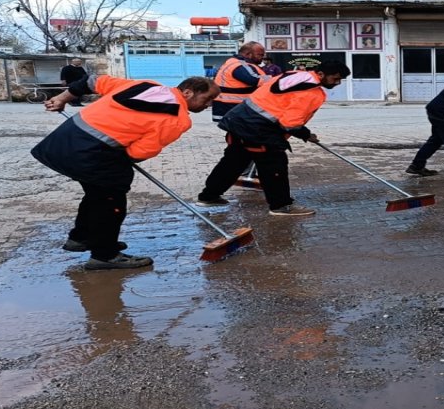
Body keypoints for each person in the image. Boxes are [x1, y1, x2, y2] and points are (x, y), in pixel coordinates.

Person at [31, 75, 220, 270]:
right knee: (111, 201)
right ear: (188, 92)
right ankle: (104, 255)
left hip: (61, 142)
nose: (209, 104)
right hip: (90, 154)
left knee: (97, 194)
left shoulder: (145, 85)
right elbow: (138, 152)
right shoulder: (178, 118)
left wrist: (62, 98)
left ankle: (82, 238)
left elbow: (91, 81)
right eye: (207, 98)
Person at [197, 61, 351, 216]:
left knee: (232, 162)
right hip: (259, 130)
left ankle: (208, 196)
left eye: (340, 80)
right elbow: (290, 123)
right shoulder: (311, 92)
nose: (337, 83)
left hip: (239, 120)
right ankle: (281, 206)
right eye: (335, 79)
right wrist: (305, 134)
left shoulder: (295, 74)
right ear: (321, 74)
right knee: (274, 166)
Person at [211, 42, 267, 123]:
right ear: (248, 54)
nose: (262, 57)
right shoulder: (240, 65)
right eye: (260, 55)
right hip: (235, 108)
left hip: (228, 107)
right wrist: (275, 80)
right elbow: (254, 80)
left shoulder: (233, 63)